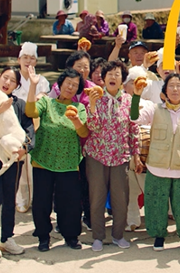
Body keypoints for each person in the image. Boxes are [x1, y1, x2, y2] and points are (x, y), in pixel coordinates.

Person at [130, 73, 180, 252]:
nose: (175, 89)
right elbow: (134, 118)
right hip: (157, 167)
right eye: (171, 86)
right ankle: (158, 236)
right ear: (165, 91)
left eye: (179, 86)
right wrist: (136, 95)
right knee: (156, 205)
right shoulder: (155, 109)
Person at [25, 67, 89, 252]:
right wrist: (33, 86)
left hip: (68, 163)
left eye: (75, 85)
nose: (70, 87)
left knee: (69, 202)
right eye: (68, 83)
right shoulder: (47, 102)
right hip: (43, 160)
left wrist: (76, 120)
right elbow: (30, 112)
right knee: (41, 202)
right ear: (60, 84)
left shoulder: (80, 108)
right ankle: (43, 236)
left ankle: (71, 236)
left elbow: (83, 132)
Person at [85, 60, 142, 251]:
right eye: (109, 73)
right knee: (97, 197)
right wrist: (92, 105)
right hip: (96, 155)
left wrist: (136, 154)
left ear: (122, 80)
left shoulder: (129, 100)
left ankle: (118, 235)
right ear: (103, 78)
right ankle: (98, 237)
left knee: (120, 198)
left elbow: (134, 128)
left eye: (117, 74)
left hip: (120, 156)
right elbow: (92, 127)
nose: (113, 77)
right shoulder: (96, 98)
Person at [0, 67, 35, 258]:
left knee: (10, 200)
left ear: (17, 86)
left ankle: (7, 238)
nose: (7, 82)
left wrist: (25, 148)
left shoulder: (19, 105)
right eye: (5, 78)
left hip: (13, 160)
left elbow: (29, 129)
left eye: (12, 80)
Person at [48, 50, 95, 231]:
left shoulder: (93, 88)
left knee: (87, 183)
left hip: (86, 144)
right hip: (63, 144)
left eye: (86, 67)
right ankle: (63, 219)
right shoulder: (59, 88)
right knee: (64, 185)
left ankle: (89, 216)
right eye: (79, 67)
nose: (83, 71)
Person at [13, 42, 50, 214]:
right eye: (25, 58)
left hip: (34, 125)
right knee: (20, 165)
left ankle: (35, 199)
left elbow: (42, 99)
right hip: (15, 124)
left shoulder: (41, 80)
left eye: (32, 58)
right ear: (19, 59)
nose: (28, 61)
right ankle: (21, 199)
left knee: (32, 165)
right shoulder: (13, 77)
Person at [125, 66, 156, 232]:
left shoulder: (150, 104)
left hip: (146, 150)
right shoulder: (122, 101)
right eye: (131, 82)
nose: (136, 85)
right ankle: (132, 220)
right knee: (130, 190)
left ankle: (154, 221)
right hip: (126, 149)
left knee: (148, 188)